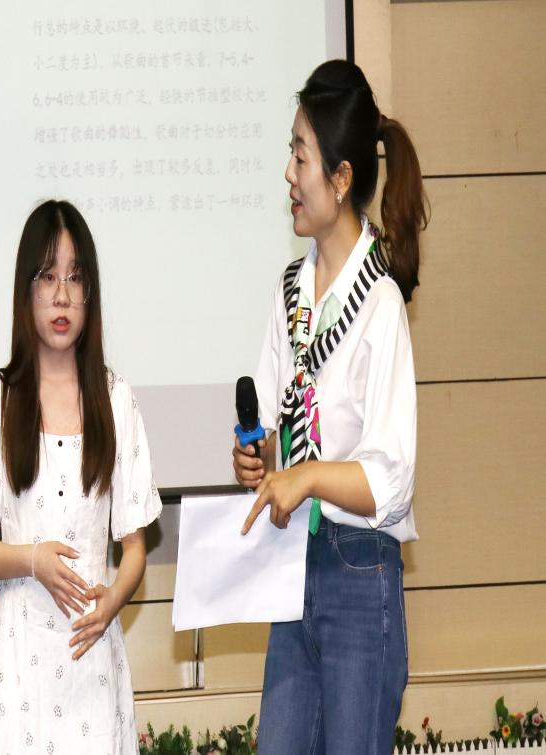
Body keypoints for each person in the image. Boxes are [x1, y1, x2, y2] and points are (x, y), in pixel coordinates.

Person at [233, 60, 428, 754]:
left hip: (358, 571)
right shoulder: (292, 290)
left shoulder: (379, 303)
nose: (288, 174)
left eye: (301, 156)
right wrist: (258, 457)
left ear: (341, 178)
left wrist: (308, 477)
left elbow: (390, 479)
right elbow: (273, 428)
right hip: (293, 566)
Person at [0, 199, 162, 754]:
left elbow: (134, 546)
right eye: (47, 276)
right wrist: (33, 560)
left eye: (75, 277)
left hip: (90, 653)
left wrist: (113, 600)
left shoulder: (115, 398)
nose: (62, 295)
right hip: (16, 663)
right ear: (27, 291)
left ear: (90, 293)